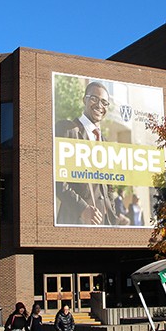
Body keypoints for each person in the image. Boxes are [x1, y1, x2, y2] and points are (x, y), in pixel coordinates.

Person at [55, 81, 118, 225]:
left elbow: (108, 185)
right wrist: (82, 209)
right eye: (94, 99)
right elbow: (58, 180)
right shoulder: (67, 130)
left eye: (104, 102)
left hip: (105, 223)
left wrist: (111, 213)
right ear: (85, 100)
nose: (99, 105)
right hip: (76, 221)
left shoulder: (105, 142)